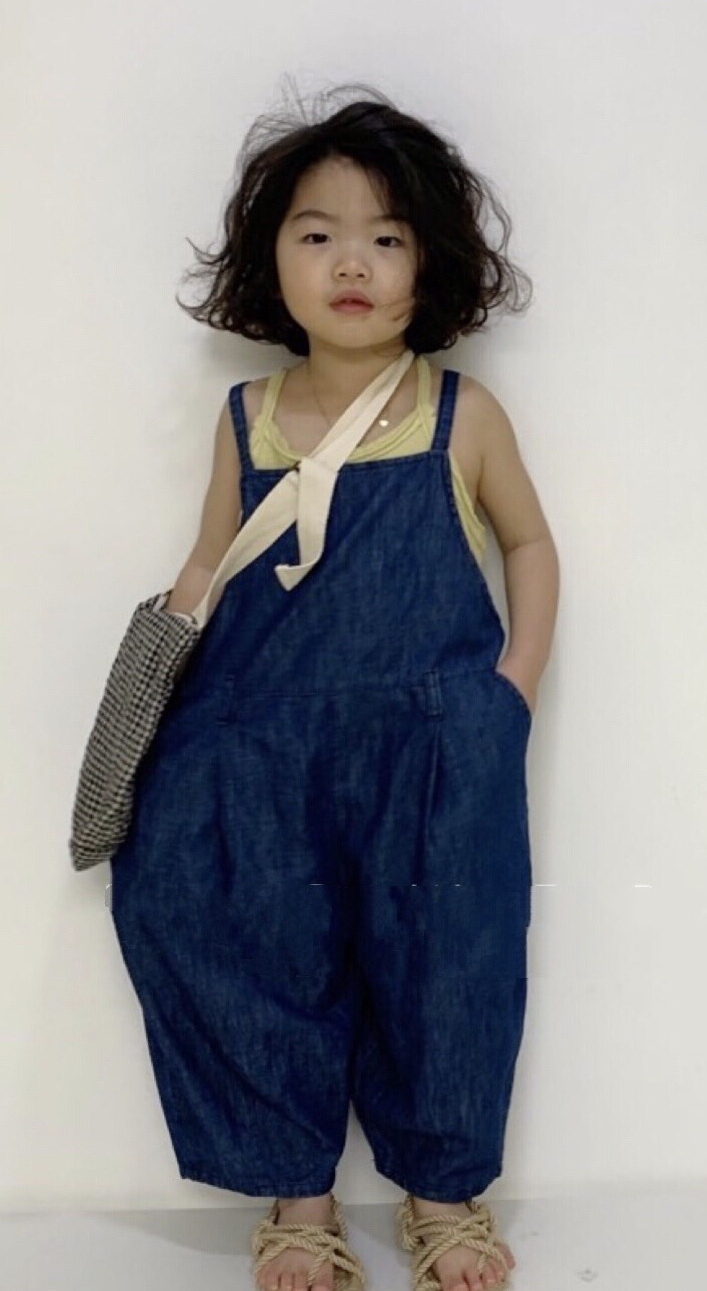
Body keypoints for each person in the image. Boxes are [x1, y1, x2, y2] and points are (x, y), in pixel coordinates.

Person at [108, 84, 558, 1291]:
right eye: (317, 233)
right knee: (255, 947)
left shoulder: (461, 414)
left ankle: (443, 1192)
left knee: (449, 960)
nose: (350, 261)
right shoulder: (247, 416)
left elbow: (528, 544)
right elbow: (209, 562)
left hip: (432, 748)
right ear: (272, 259)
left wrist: (508, 693)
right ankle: (297, 1197)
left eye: (386, 236)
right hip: (260, 746)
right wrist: (163, 716)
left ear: (431, 264)